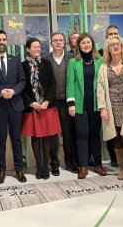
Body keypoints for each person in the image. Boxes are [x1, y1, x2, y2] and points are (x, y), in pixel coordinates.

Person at [0, 30, 27, 184]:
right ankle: (1, 171)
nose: (1, 42)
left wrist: (14, 91)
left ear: (7, 42)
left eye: (4, 39)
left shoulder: (15, 60)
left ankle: (19, 170)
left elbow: (22, 81)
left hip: (15, 105)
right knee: (0, 140)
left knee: (16, 140)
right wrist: (0, 92)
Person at [97, 36, 123, 181]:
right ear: (108, 48)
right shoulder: (104, 66)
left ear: (122, 46)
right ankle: (122, 166)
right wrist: (102, 108)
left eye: (118, 44)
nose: (115, 46)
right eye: (112, 45)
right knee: (116, 138)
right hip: (111, 105)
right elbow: (100, 88)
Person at [67, 33, 106, 179]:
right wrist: (71, 104)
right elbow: (70, 84)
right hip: (79, 104)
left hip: (96, 104)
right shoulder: (73, 62)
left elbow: (103, 83)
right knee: (82, 134)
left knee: (95, 135)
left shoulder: (100, 60)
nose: (86, 45)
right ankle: (83, 166)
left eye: (88, 42)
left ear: (92, 44)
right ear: (78, 46)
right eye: (83, 43)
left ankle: (98, 164)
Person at [22, 38, 62, 180]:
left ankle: (45, 166)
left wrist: (47, 101)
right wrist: (31, 103)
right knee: (35, 136)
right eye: (34, 47)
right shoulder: (23, 66)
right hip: (32, 107)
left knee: (46, 136)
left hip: (46, 106)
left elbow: (52, 84)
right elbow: (22, 88)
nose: (37, 49)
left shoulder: (46, 63)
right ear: (28, 49)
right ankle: (38, 166)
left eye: (39, 47)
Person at [43, 32, 79, 175]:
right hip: (51, 103)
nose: (58, 42)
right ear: (51, 43)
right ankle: (55, 164)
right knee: (52, 135)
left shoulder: (72, 58)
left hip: (67, 102)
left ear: (64, 43)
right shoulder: (45, 60)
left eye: (60, 40)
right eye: (55, 40)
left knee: (68, 133)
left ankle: (70, 162)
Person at [99, 25, 120, 166]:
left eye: (115, 34)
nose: (113, 36)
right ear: (106, 36)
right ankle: (114, 158)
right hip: (107, 99)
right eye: (110, 34)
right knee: (110, 130)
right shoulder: (100, 55)